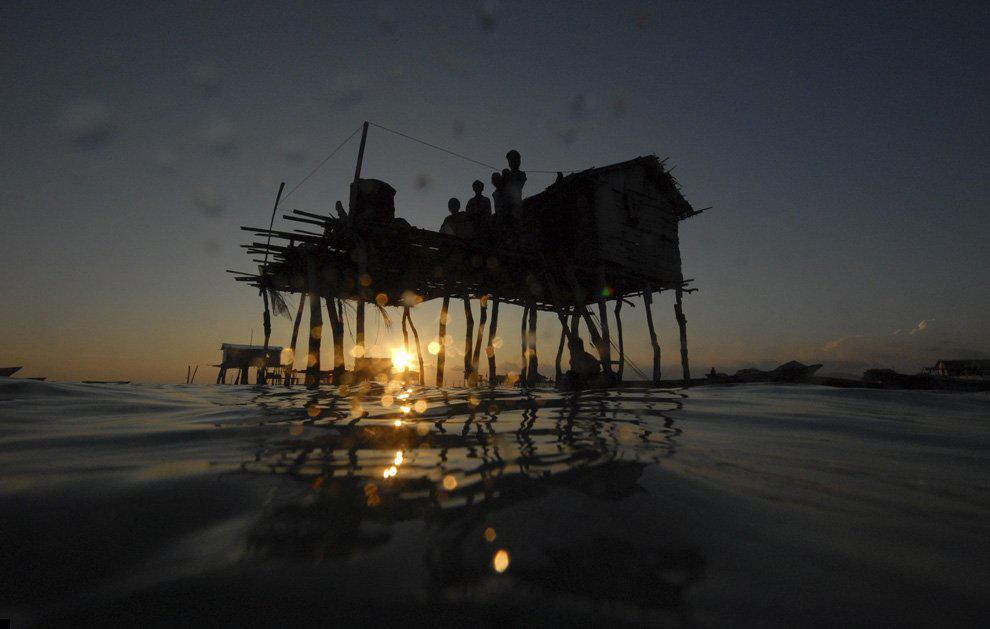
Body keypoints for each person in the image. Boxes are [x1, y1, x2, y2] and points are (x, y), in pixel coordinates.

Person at [501, 149, 527, 222]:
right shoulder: (506, 174)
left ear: (518, 161)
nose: (511, 163)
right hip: (505, 207)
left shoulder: (521, 174)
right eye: (509, 161)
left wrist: (508, 177)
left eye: (513, 160)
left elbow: (518, 186)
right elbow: (500, 188)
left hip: (516, 205)